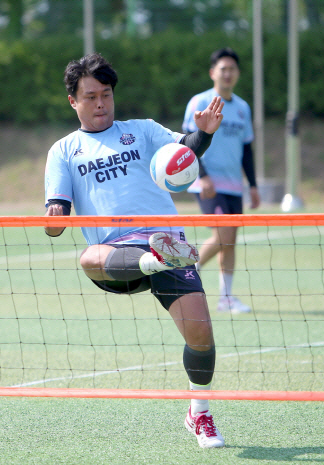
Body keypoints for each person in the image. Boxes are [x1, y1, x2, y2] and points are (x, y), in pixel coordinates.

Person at [44, 53, 227, 448]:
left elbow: (185, 153)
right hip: (118, 258)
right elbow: (54, 223)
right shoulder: (64, 151)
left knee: (202, 337)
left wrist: (205, 135)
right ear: (72, 101)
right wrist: (55, 214)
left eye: (106, 94)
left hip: (166, 242)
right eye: (90, 96)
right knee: (87, 259)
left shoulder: (142, 131)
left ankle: (199, 412)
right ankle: (154, 260)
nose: (100, 104)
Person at [182, 47, 260, 314]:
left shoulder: (242, 108)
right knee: (223, 234)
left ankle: (226, 298)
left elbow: (247, 149)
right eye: (223, 69)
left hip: (234, 185)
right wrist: (202, 177)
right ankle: (185, 270)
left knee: (230, 240)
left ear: (237, 74)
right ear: (212, 72)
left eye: (232, 69)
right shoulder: (199, 102)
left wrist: (253, 185)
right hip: (207, 182)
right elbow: (188, 143)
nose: (228, 74)